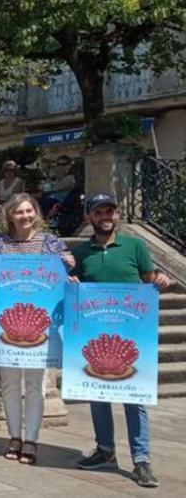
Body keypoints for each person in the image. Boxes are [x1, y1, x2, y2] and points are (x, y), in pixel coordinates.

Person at [71, 193, 172, 489]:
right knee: (97, 395)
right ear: (89, 217)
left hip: (131, 333)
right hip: (94, 334)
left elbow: (150, 279)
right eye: (98, 211)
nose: (105, 215)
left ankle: (141, 460)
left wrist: (161, 281)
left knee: (134, 397)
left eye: (109, 211)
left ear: (116, 215)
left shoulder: (135, 246)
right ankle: (105, 450)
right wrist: (72, 282)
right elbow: (72, 283)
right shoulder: (81, 253)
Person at [0, 192, 74, 466]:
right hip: (5, 325)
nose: (25, 216)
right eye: (19, 212)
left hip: (40, 328)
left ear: (37, 214)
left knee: (36, 385)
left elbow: (65, 275)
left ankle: (31, 439)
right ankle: (14, 437)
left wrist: (69, 266)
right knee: (9, 385)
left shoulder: (52, 244)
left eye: (29, 211)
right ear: (9, 216)